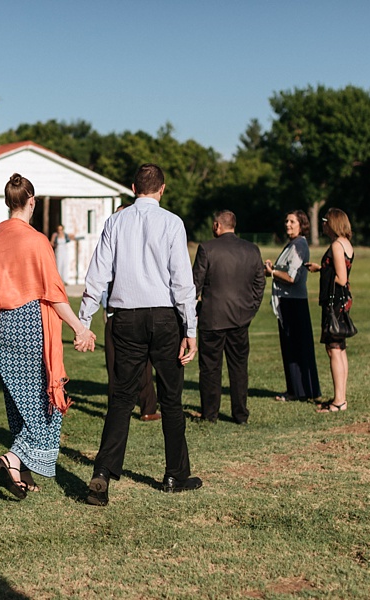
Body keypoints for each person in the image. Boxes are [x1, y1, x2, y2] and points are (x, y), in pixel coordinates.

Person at [78, 163, 201, 506]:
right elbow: (182, 281)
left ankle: (102, 473)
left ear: (133, 187)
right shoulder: (173, 223)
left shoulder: (115, 222)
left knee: (121, 398)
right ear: (162, 189)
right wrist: (190, 329)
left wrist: (84, 320)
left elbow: (97, 274)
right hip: (164, 318)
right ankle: (176, 475)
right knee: (172, 399)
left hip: (126, 318)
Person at [0, 173, 95, 499]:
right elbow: (54, 295)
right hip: (30, 326)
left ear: (6, 202)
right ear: (32, 201)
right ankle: (13, 458)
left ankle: (21, 474)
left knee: (18, 402)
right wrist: (80, 328)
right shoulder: (36, 241)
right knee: (46, 407)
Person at [192, 210, 266, 424]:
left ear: (217, 225)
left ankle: (210, 414)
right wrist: (251, 308)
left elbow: (195, 284)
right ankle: (240, 414)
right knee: (239, 367)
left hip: (212, 318)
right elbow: (259, 283)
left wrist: (192, 310)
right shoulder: (252, 249)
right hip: (240, 318)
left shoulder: (206, 248)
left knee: (210, 368)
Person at [264, 210, 321, 402]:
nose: (287, 224)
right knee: (291, 347)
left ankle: (301, 391)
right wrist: (274, 269)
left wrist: (272, 272)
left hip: (293, 302)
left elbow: (292, 277)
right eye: (286, 221)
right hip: (288, 301)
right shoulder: (293, 244)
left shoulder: (299, 245)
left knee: (296, 348)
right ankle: (296, 389)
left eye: (292, 221)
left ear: (301, 224)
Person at [306, 208, 355, 413]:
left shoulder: (336, 245)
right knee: (339, 348)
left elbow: (341, 278)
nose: (323, 224)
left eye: (325, 221)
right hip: (342, 302)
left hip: (334, 303)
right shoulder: (346, 244)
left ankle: (338, 401)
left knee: (333, 349)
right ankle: (340, 396)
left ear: (333, 223)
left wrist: (324, 274)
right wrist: (322, 268)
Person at [102, 286, 160, 421]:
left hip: (116, 313)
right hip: (142, 311)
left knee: (114, 365)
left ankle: (115, 410)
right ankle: (148, 409)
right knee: (144, 365)